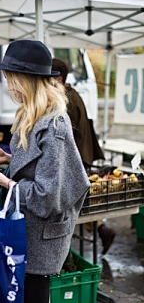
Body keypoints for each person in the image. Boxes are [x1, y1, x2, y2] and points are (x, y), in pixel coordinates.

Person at [0, 40, 90, 303]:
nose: (9, 85)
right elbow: (34, 166)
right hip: (23, 226)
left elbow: (49, 195)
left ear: (28, 80)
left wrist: (3, 181)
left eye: (12, 79)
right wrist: (5, 159)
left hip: (42, 233)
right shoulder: (32, 114)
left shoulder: (56, 124)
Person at [52, 58, 116, 255]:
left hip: (77, 160)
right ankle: (101, 230)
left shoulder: (65, 100)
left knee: (71, 208)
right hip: (81, 157)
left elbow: (65, 138)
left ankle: (99, 232)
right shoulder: (71, 93)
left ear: (59, 78)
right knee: (78, 207)